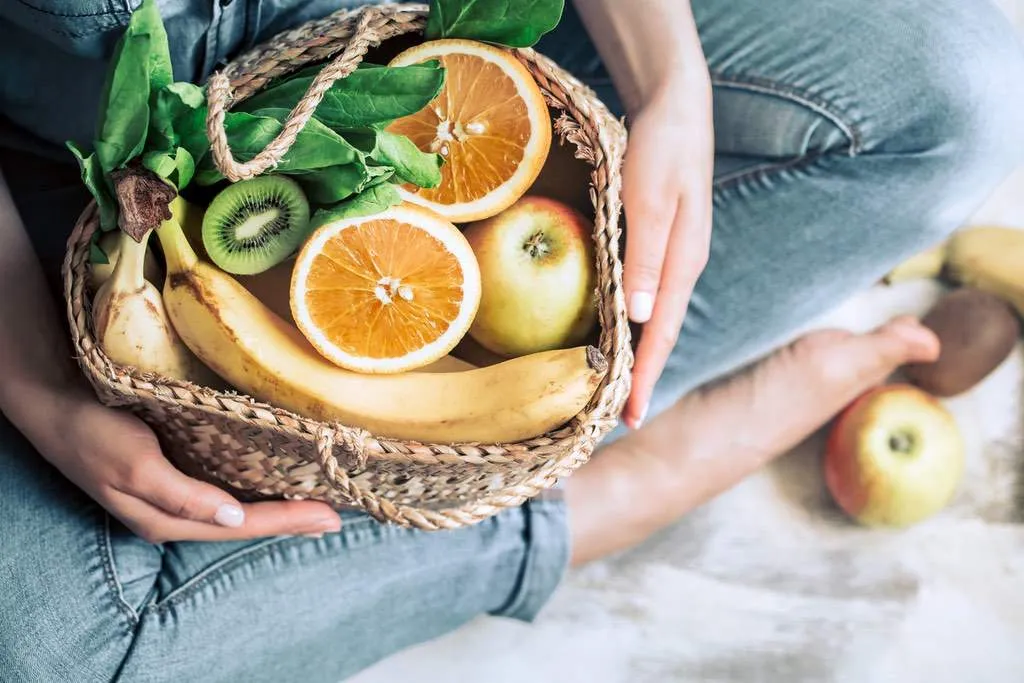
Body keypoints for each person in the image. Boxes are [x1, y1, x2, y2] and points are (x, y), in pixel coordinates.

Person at [0, 0, 1021, 680]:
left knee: (963, 100)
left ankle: (565, 435)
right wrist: (35, 381)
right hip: (87, 172)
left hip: (450, 64)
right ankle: (590, 498)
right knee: (49, 653)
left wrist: (671, 78)